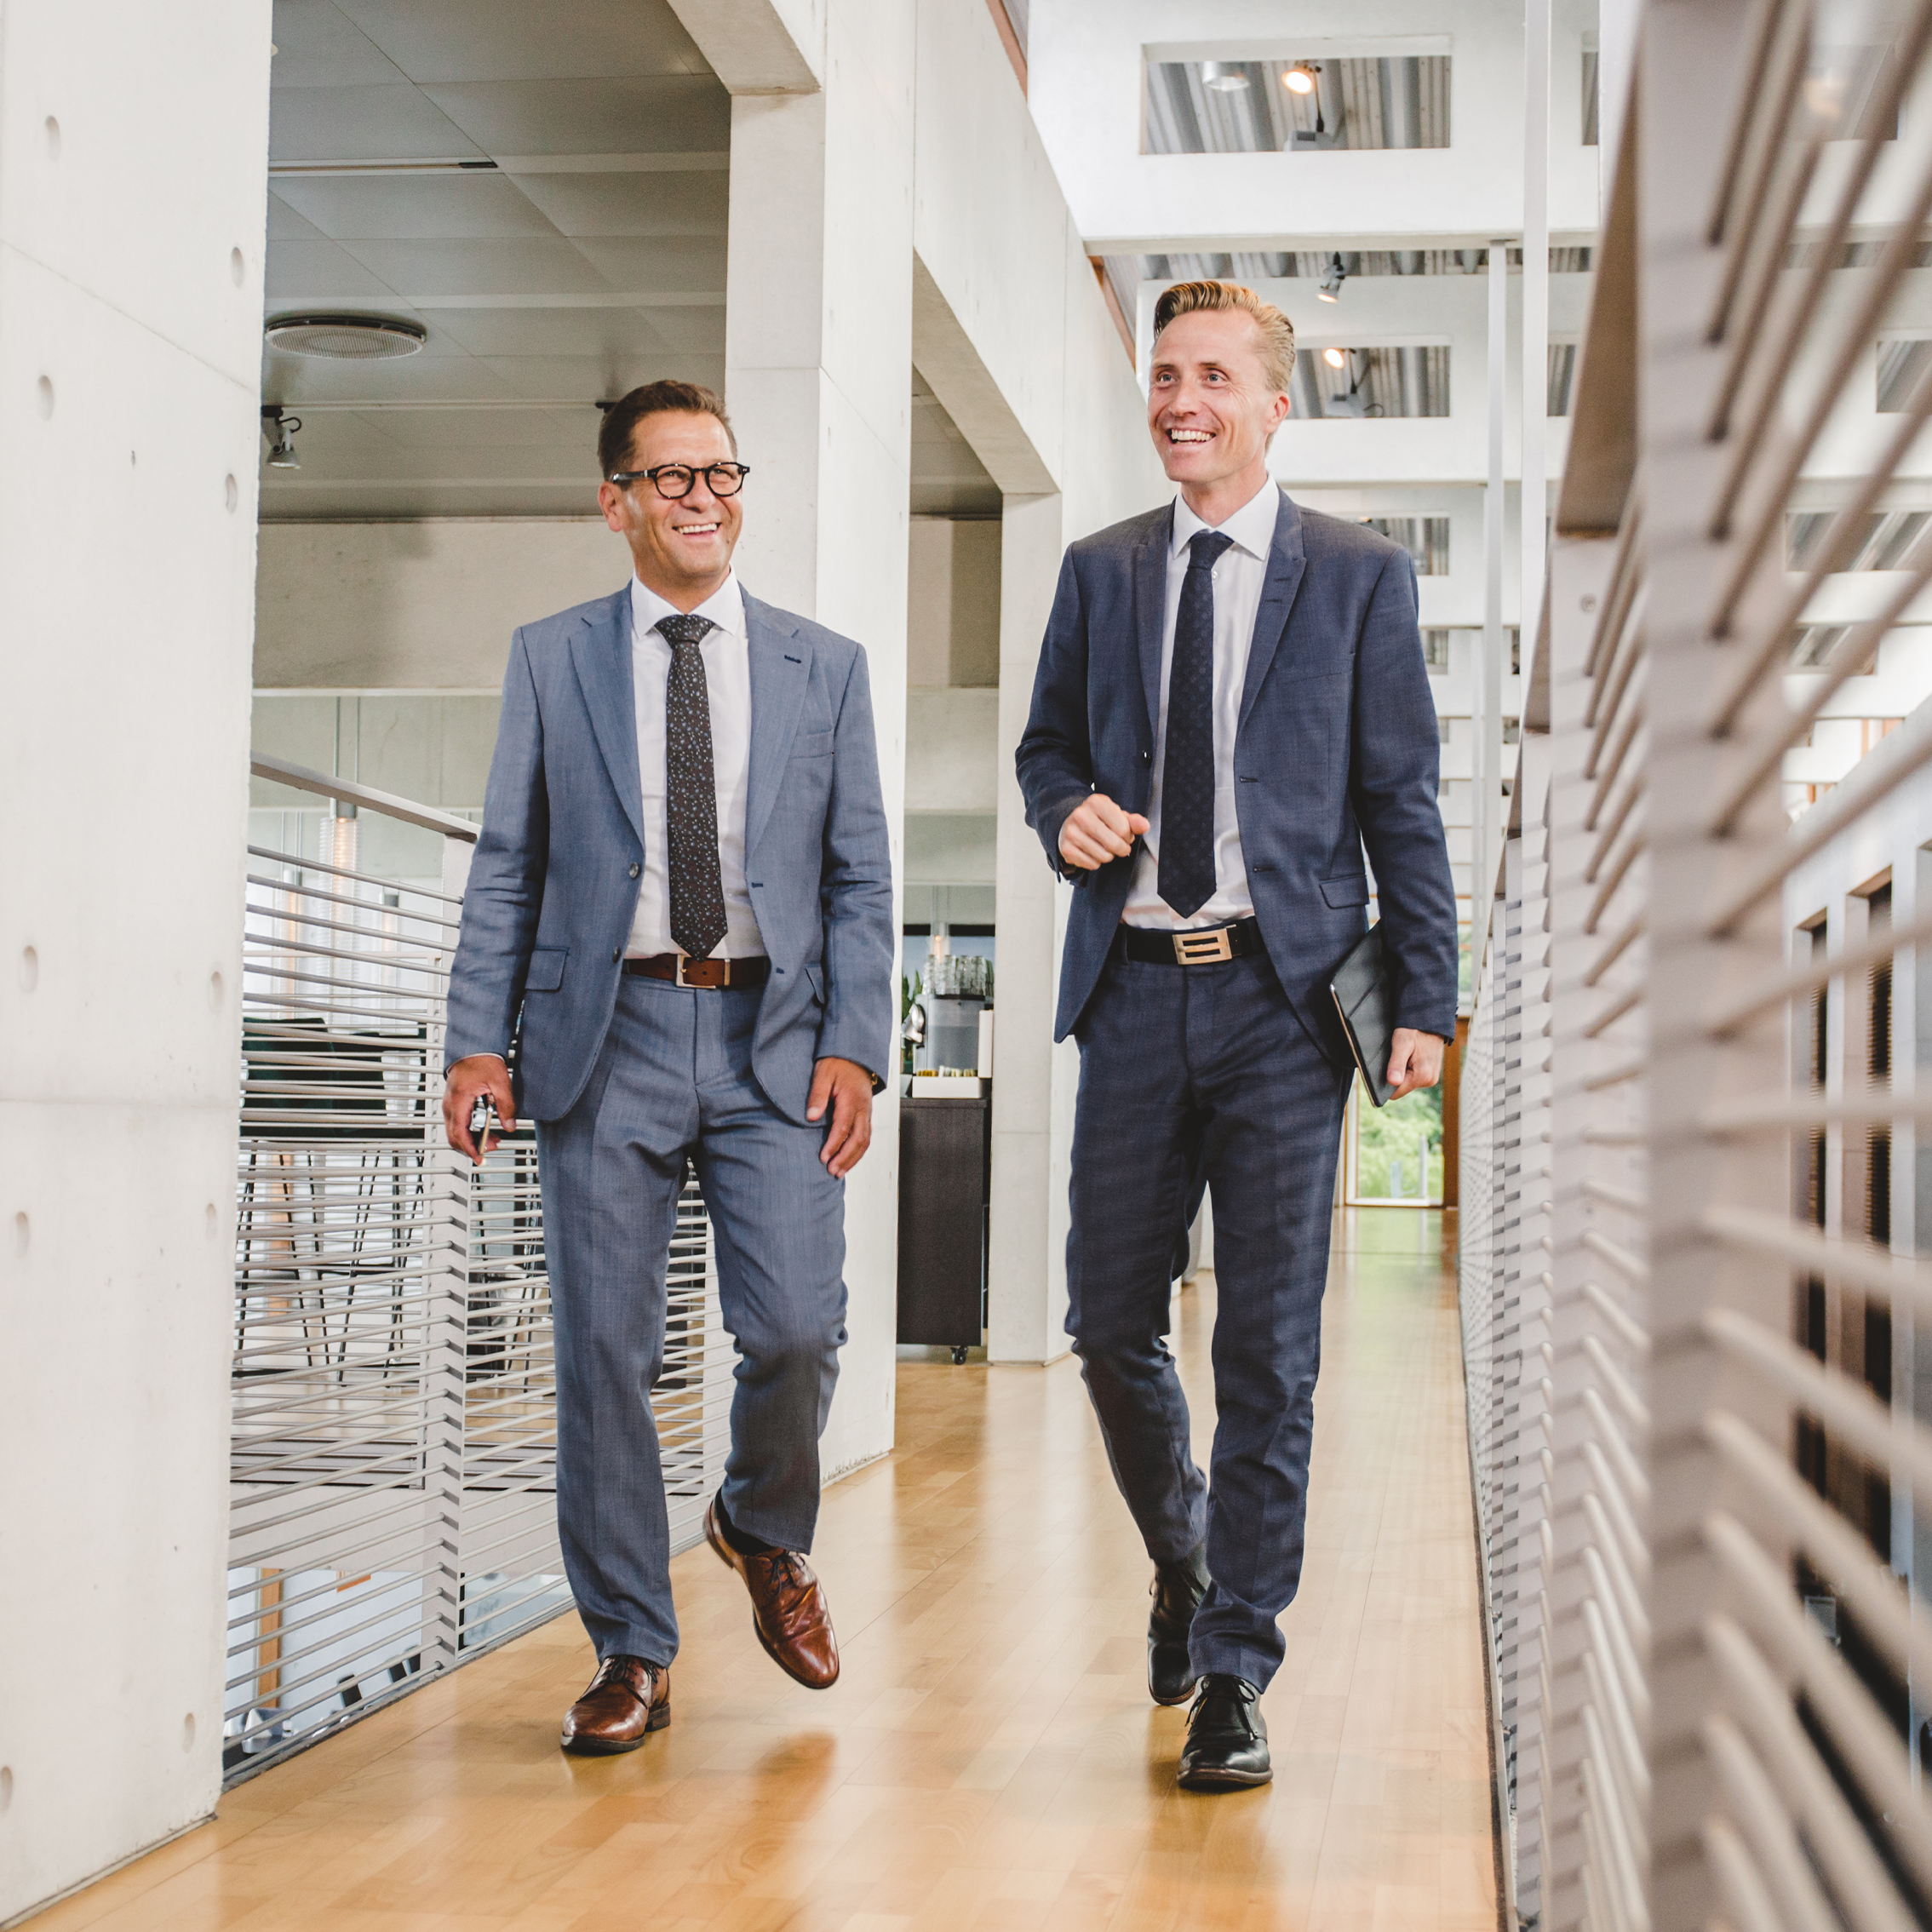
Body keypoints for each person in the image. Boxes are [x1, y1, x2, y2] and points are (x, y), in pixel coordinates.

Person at [1015, 282, 1457, 1792]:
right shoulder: (1099, 570)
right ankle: (1188, 1561)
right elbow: (1047, 749)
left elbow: (1402, 798)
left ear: (1275, 404)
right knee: (1107, 1322)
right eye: (1163, 375)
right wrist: (1060, 807)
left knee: (1270, 1355)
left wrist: (1427, 1001)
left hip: (1286, 1005)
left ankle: (1236, 1669)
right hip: (1134, 990)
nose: (1179, 399)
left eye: (1212, 376)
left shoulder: (1355, 578)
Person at [442, 379, 894, 1755]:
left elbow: (861, 876)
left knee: (801, 1326)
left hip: (774, 1043)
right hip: (606, 1037)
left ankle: (762, 1526)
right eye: (674, 477)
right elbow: (510, 864)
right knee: (604, 1356)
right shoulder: (552, 658)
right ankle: (632, 1646)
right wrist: (475, 1040)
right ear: (617, 500)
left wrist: (858, 1049)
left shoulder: (827, 665)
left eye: (722, 474)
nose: (705, 498)